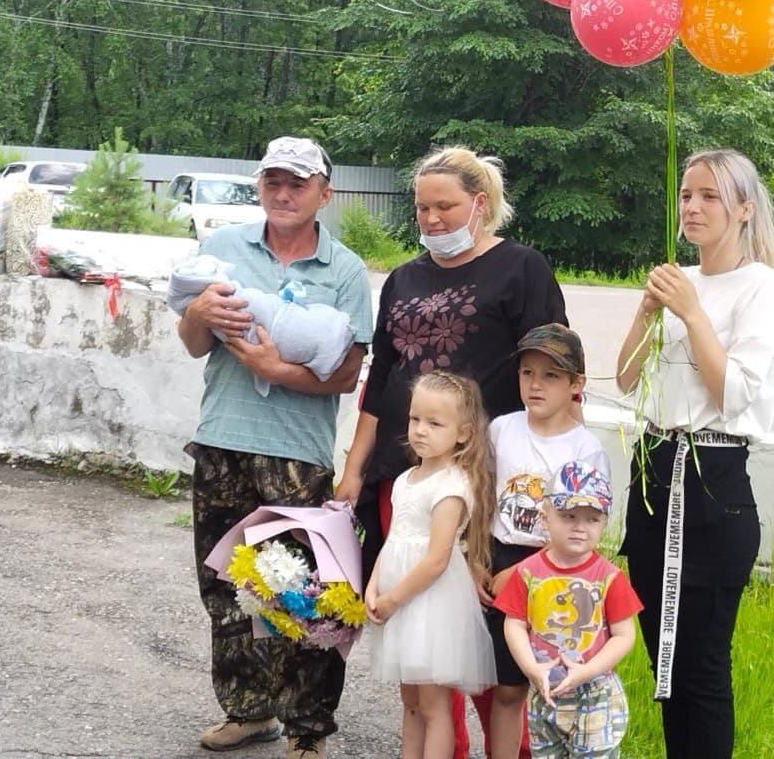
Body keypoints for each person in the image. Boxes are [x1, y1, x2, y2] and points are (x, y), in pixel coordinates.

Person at [337, 145, 568, 759]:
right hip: (405, 480)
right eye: (422, 208)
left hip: (488, 482)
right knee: (423, 636)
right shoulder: (405, 279)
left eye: (446, 206)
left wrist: (557, 471)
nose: (432, 219)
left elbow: (554, 369)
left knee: (489, 634)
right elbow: (380, 380)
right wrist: (355, 470)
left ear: (480, 204)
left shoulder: (522, 270)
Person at [178, 136, 373, 759]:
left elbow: (347, 372)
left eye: (297, 183)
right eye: (272, 182)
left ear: (324, 192)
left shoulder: (343, 269)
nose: (283, 194)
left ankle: (308, 730)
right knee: (226, 588)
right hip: (221, 439)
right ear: (260, 187)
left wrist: (274, 365)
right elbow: (191, 343)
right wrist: (199, 312)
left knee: (303, 593)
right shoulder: (223, 249)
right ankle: (247, 710)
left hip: (297, 452)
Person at [614, 149, 774, 759]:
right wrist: (647, 312)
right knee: (662, 661)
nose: (690, 207)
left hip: (712, 479)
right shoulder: (679, 279)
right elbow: (624, 378)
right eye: (686, 195)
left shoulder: (763, 288)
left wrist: (691, 313)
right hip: (654, 470)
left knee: (700, 664)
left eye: (708, 196)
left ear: (744, 209)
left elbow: (735, 393)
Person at [482, 324, 611, 755]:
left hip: (553, 567)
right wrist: (476, 560)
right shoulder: (502, 429)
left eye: (551, 376)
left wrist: (519, 576)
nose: (535, 385)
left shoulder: (585, 448)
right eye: (527, 373)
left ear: (577, 385)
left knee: (552, 684)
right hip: (499, 556)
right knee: (507, 687)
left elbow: (585, 528)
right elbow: (484, 497)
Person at [366, 372, 498, 759]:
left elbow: (438, 559)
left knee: (434, 705)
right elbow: (393, 541)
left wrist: (393, 599)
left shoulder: (452, 486)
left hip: (429, 605)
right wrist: (374, 588)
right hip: (399, 599)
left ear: (464, 433)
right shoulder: (406, 478)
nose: (420, 431)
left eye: (435, 423)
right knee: (410, 700)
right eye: (415, 419)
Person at [497, 461, 640, 759]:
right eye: (568, 516)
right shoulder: (527, 572)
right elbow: (514, 624)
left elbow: (625, 635)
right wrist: (530, 668)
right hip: (544, 690)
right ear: (545, 518)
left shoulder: (610, 577)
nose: (579, 527)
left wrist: (588, 670)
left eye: (592, 519)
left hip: (594, 693)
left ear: (604, 523)